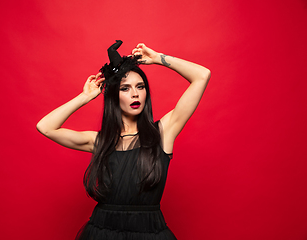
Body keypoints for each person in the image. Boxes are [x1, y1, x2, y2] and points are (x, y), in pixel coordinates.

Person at [36, 40, 211, 239]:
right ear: (114, 96)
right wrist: (85, 97)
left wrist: (158, 59)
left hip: (148, 233)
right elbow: (45, 127)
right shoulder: (100, 142)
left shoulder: (163, 132)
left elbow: (202, 76)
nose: (135, 94)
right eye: (125, 89)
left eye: (140, 87)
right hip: (102, 232)